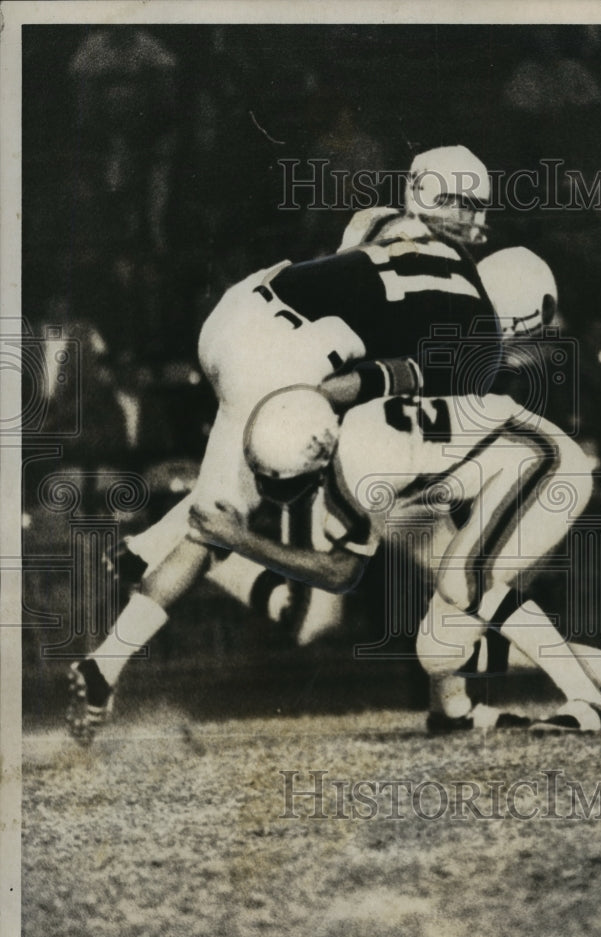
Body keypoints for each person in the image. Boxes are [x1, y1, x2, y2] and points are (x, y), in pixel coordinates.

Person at [66, 146, 501, 744]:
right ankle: (164, 547)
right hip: (287, 363)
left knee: (233, 503)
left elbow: (355, 289)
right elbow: (362, 383)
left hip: (236, 313)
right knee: (250, 540)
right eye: (469, 205)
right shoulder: (477, 324)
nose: (473, 219)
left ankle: (108, 654)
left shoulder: (377, 221)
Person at [189, 382, 601, 734]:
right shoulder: (353, 433)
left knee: (462, 579)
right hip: (517, 464)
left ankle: (590, 703)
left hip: (544, 464)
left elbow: (340, 572)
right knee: (437, 649)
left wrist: (238, 540)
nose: (279, 489)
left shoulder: (354, 470)